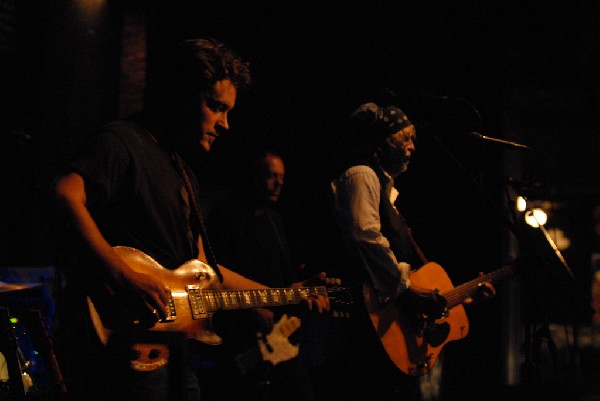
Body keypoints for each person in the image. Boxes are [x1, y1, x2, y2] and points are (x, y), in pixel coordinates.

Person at [52, 38, 328, 401]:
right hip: (125, 345)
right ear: (180, 94)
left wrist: (281, 296)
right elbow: (63, 195)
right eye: (216, 107)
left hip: (173, 350)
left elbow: (206, 271)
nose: (225, 124)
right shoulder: (122, 142)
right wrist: (121, 275)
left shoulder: (184, 173)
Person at [323, 102, 493, 401]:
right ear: (384, 142)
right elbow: (365, 237)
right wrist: (407, 291)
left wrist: (464, 298)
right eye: (406, 139)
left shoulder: (385, 192)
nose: (413, 147)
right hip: (361, 326)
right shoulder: (362, 174)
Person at [203, 149, 317, 401]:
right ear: (254, 177)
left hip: (278, 333)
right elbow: (214, 275)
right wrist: (252, 308)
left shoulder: (276, 220)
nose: (278, 184)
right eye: (270, 176)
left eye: (282, 178)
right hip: (241, 333)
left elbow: (284, 273)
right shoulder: (227, 217)